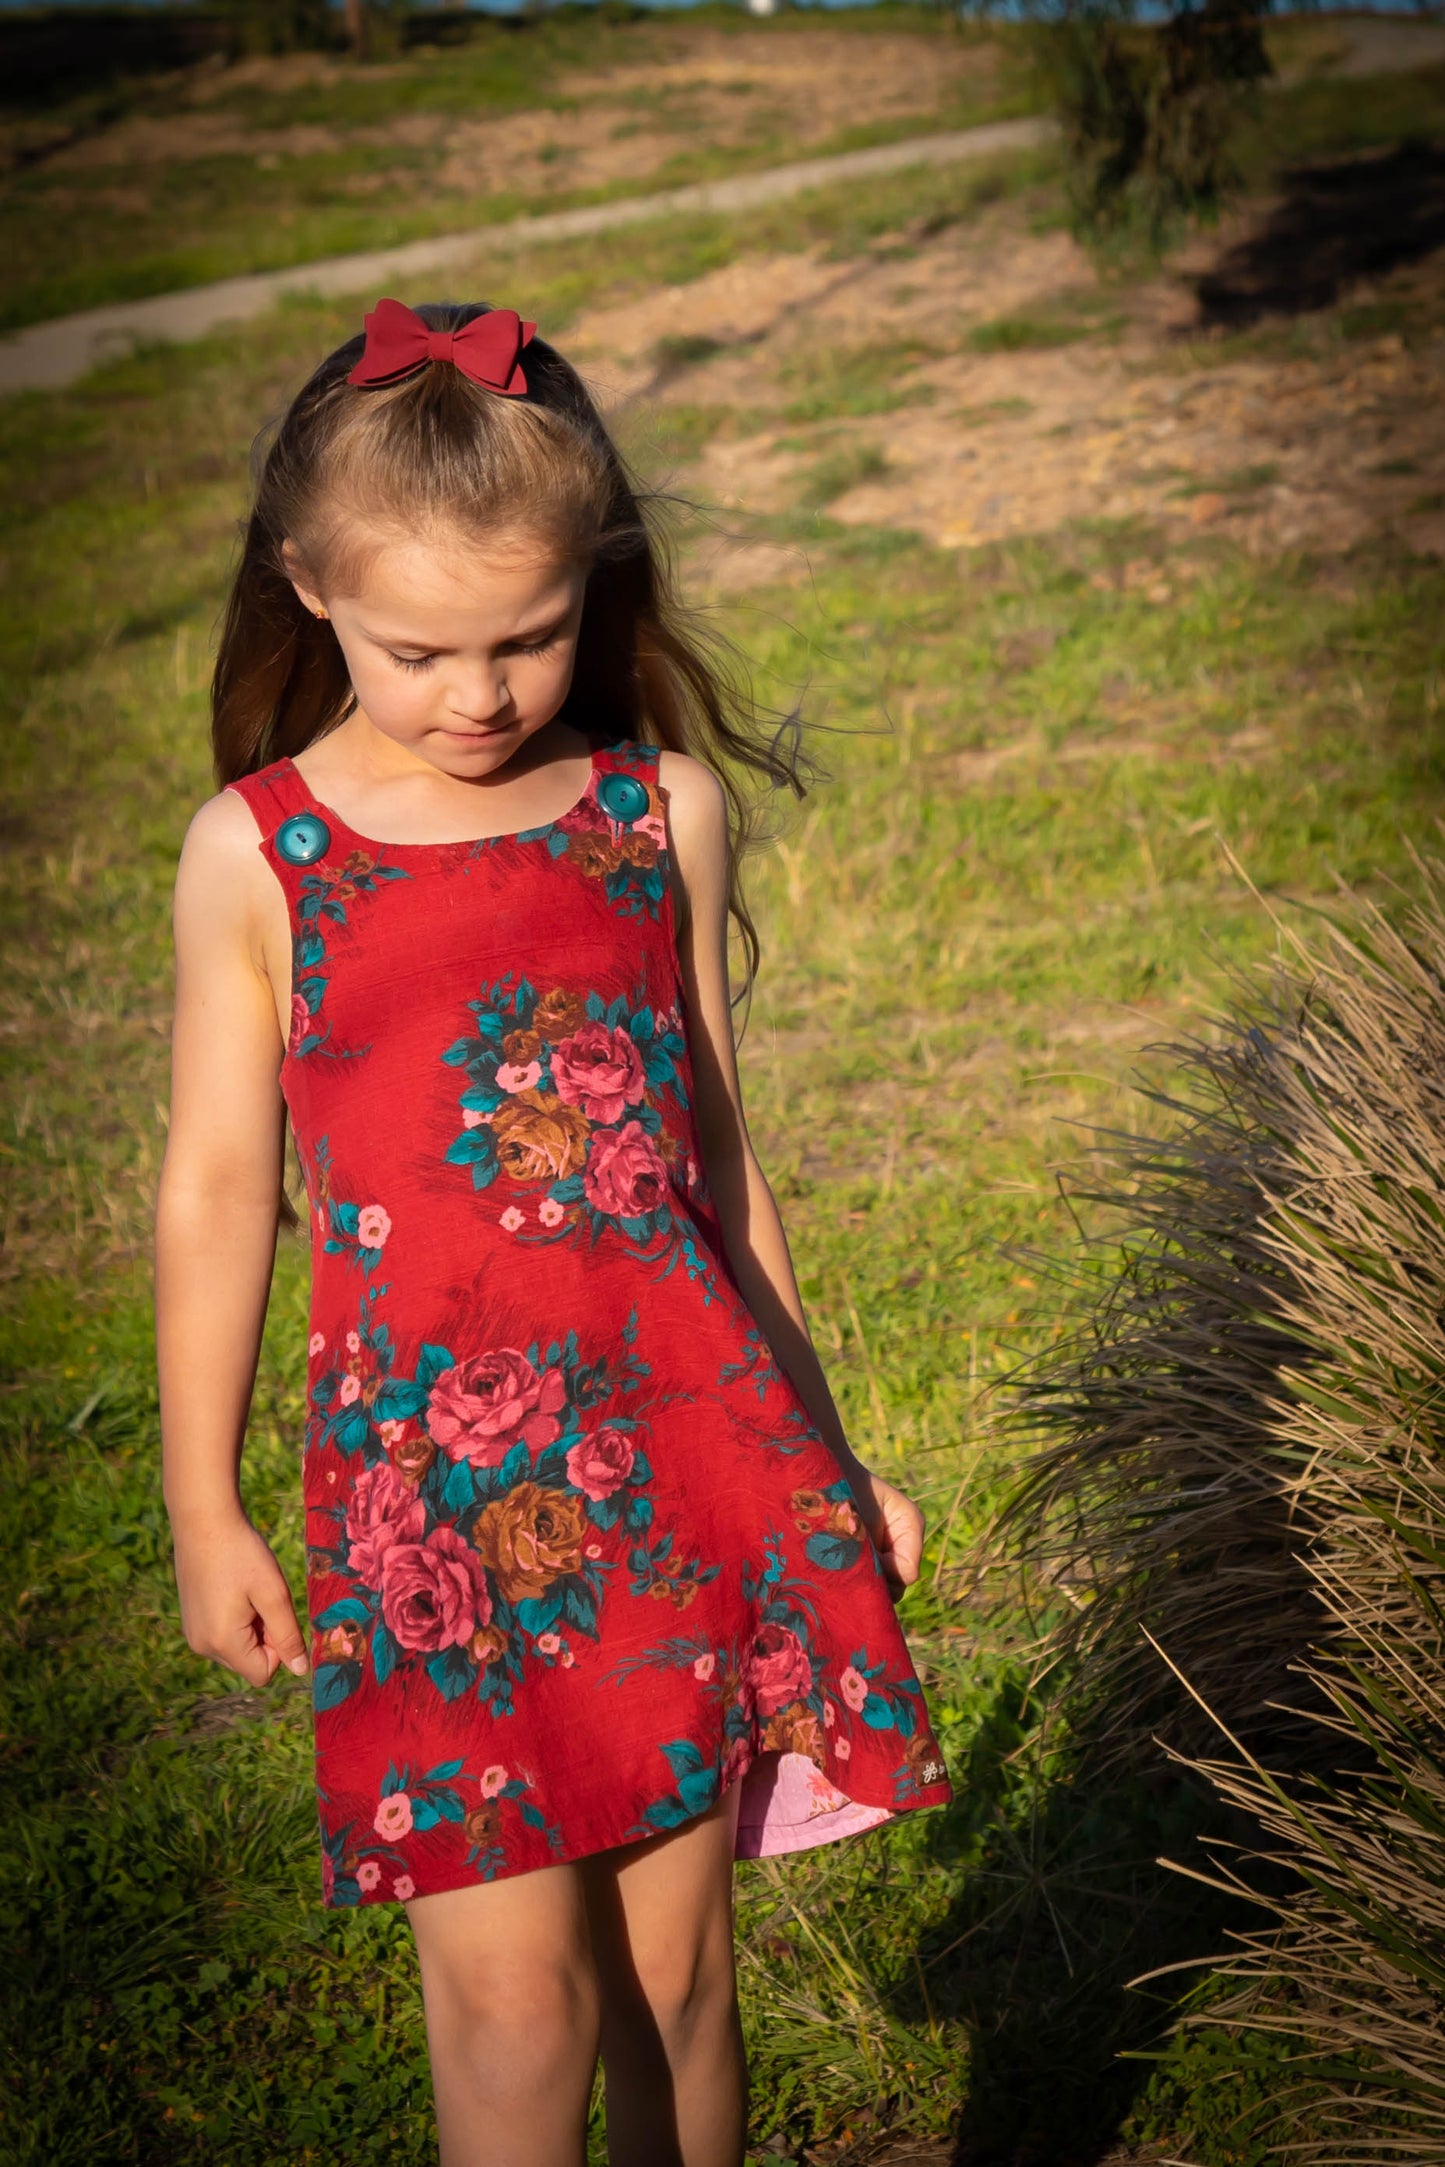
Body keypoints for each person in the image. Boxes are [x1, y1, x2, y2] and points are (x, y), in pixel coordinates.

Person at [155, 297, 953, 2167]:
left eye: (532, 632)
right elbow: (212, 1191)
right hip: (421, 1504)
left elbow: (721, 1164)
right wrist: (202, 1506)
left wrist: (826, 1456)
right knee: (514, 2010)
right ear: (307, 587)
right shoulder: (258, 854)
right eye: (419, 646)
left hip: (677, 1459)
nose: (483, 693)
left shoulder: (650, 814)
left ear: (596, 583)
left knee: (672, 1989)